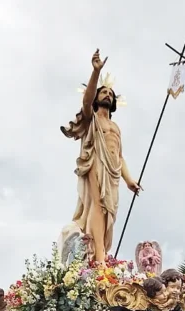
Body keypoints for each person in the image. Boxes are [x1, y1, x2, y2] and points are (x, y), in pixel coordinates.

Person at [59, 49, 142, 264]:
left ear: (114, 102)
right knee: (98, 204)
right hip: (96, 162)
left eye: (110, 94)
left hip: (113, 170)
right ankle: (100, 257)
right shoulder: (91, 119)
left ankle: (101, 250)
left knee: (108, 213)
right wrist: (96, 72)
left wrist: (129, 180)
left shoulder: (115, 127)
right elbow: (86, 103)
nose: (107, 94)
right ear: (96, 96)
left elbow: (120, 156)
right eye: (103, 92)